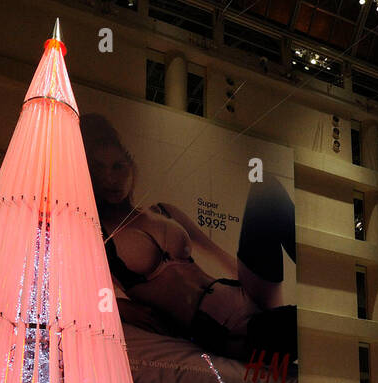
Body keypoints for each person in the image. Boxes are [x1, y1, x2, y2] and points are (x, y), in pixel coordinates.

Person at [81, 114, 297, 365]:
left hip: (247, 292)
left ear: (131, 165)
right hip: (224, 326)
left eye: (118, 166)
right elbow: (78, 290)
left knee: (266, 188)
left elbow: (215, 252)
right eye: (99, 168)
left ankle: (312, 272)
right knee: (305, 328)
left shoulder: (163, 211)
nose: (111, 178)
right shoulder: (96, 236)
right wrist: (121, 306)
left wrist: (263, 280)